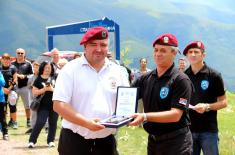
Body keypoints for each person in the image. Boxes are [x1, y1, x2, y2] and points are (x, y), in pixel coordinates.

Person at [53, 26, 129, 155]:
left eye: (103, 45)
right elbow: (59, 105)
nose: (99, 49)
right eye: (93, 44)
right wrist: (86, 123)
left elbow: (125, 101)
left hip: (106, 142)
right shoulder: (70, 69)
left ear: (108, 48)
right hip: (74, 142)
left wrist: (128, 116)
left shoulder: (118, 71)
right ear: (85, 46)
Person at [129, 33, 193, 155]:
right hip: (153, 141)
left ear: (174, 53)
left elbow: (175, 115)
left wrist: (145, 116)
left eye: (163, 50)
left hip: (176, 143)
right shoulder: (146, 78)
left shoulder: (181, 80)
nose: (158, 54)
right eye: (156, 50)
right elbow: (127, 96)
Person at [183, 41, 227, 155]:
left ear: (203, 55)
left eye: (196, 52)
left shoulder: (214, 75)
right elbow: (181, 99)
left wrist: (207, 106)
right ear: (187, 56)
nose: (193, 54)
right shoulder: (183, 76)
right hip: (188, 129)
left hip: (209, 131)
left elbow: (223, 102)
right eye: (190, 52)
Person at [28, 61, 58, 148]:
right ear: (42, 68)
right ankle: (32, 141)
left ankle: (50, 141)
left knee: (53, 123)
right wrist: (44, 89)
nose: (48, 69)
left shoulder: (55, 77)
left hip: (55, 104)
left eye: (49, 68)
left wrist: (52, 89)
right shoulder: (38, 79)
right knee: (40, 122)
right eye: (46, 68)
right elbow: (34, 92)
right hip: (42, 105)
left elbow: (61, 91)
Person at [12, 48, 33, 128]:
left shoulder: (28, 64)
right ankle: (14, 122)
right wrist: (16, 76)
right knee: (13, 105)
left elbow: (32, 75)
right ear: (16, 54)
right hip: (15, 87)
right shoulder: (12, 64)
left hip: (25, 87)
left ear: (24, 54)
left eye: (21, 53)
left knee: (27, 106)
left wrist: (24, 76)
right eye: (18, 53)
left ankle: (28, 121)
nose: (20, 54)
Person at [0, 53, 18, 129]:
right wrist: (3, 89)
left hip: (11, 89)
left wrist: (9, 89)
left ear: (10, 60)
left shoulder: (13, 68)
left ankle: (13, 122)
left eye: (7, 59)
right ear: (1, 60)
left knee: (12, 102)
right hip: (1, 90)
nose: (6, 61)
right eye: (4, 59)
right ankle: (3, 123)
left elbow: (15, 79)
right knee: (2, 107)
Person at [25, 61, 40, 134]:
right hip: (32, 97)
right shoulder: (31, 77)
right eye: (34, 67)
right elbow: (28, 86)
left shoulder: (42, 76)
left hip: (41, 97)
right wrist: (31, 85)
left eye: (37, 67)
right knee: (33, 112)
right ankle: (33, 127)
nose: (35, 68)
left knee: (44, 111)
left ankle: (47, 126)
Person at [0, 70, 8, 140]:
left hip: (0, 99)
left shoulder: (0, 73)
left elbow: (3, 83)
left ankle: (5, 133)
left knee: (2, 117)